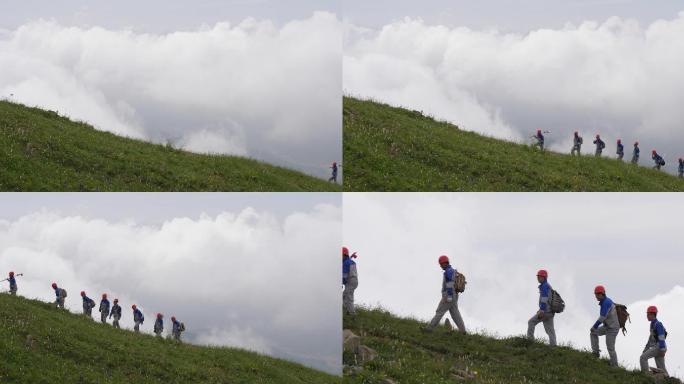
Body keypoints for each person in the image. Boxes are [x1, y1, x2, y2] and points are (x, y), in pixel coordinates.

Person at [424, 255, 466, 333]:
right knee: (455, 313)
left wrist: (449, 296)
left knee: (439, 311)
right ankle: (463, 331)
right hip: (455, 295)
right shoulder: (453, 271)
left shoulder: (448, 271)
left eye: (441, 264)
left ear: (445, 263)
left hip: (449, 295)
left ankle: (429, 329)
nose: (440, 266)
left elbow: (449, 284)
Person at [590, 285, 619, 366]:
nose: (595, 296)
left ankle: (615, 366)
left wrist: (594, 326)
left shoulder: (606, 302)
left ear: (601, 294)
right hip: (608, 326)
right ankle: (595, 353)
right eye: (595, 294)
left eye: (596, 294)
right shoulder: (605, 301)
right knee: (593, 333)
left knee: (610, 348)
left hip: (612, 329)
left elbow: (602, 317)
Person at [527, 270, 556, 346]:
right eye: (538, 276)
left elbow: (544, 298)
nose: (538, 278)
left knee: (531, 322)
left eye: (539, 277)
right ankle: (553, 346)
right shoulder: (548, 286)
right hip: (551, 312)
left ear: (544, 277)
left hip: (545, 312)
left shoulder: (544, 286)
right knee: (550, 331)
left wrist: (542, 310)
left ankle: (530, 341)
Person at [639, 306, 668, 376]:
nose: (647, 316)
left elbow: (661, 337)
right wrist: (645, 349)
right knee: (661, 368)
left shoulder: (658, 324)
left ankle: (646, 376)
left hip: (659, 347)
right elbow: (650, 339)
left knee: (643, 358)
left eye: (648, 314)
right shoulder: (652, 324)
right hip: (660, 347)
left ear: (652, 314)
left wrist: (662, 349)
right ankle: (668, 379)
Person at [342, 246, 358, 316]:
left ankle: (352, 314)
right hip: (353, 281)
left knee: (348, 297)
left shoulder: (346, 263)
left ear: (344, 255)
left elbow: (344, 276)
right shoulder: (349, 261)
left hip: (351, 281)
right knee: (344, 296)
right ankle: (347, 311)